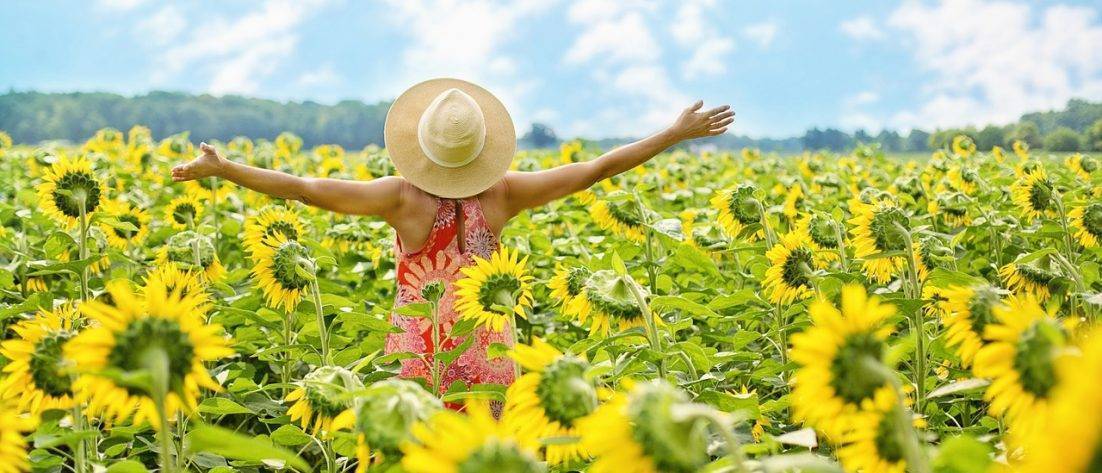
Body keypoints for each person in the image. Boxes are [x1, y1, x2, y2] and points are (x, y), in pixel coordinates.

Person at [172, 78, 733, 393]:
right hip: (490, 354)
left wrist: (227, 169)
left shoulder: (402, 198)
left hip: (426, 356)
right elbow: (595, 170)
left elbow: (303, 187)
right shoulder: (503, 194)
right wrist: (673, 133)